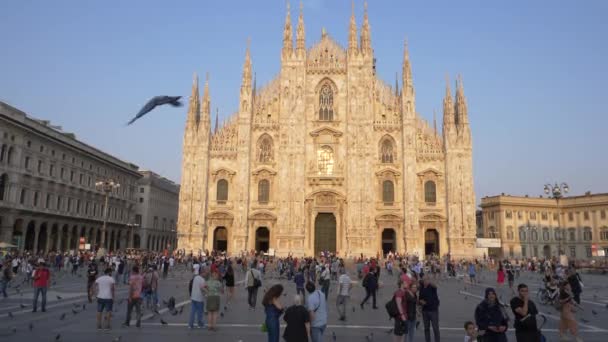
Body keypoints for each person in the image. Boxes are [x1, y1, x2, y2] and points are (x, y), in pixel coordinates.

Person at [418, 275, 440, 342]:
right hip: (425, 311)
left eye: (426, 280)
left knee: (435, 328)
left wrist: (430, 282)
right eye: (423, 280)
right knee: (426, 328)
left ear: (428, 280)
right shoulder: (421, 288)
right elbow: (420, 298)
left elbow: (436, 286)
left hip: (433, 310)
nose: (425, 281)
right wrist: (421, 302)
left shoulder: (432, 287)